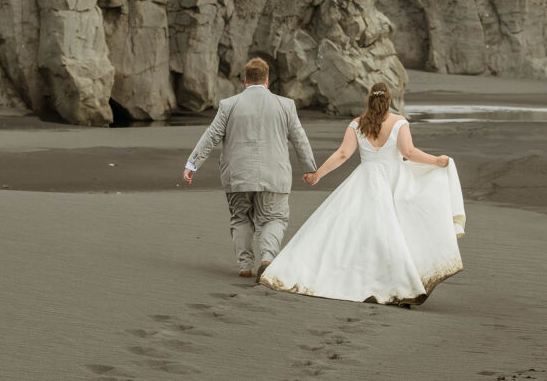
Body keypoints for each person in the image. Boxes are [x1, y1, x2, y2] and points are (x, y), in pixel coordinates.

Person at [259, 82, 465, 305]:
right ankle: (398, 284)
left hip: (365, 179)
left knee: (356, 232)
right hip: (393, 180)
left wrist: (318, 174)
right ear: (388, 101)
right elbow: (409, 152)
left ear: (369, 100)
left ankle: (359, 276)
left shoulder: (357, 124)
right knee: (393, 231)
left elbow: (342, 154)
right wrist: (435, 160)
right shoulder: (399, 122)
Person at [183, 57, 317, 279]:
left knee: (240, 217)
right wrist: (309, 168)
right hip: (275, 175)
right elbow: (299, 138)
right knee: (273, 218)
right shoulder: (286, 105)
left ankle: (245, 266)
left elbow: (212, 135)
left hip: (238, 175)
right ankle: (267, 259)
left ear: (245, 80)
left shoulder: (229, 105)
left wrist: (192, 164)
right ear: (267, 81)